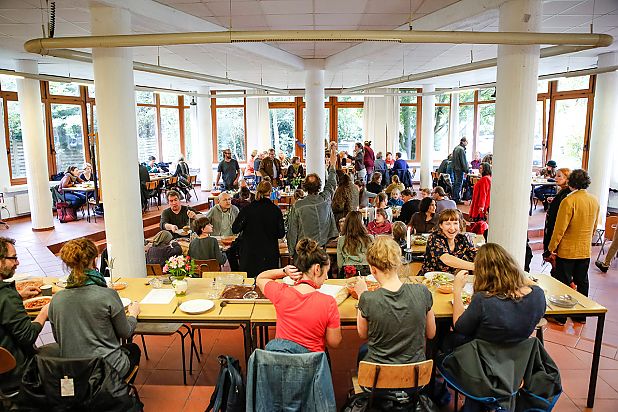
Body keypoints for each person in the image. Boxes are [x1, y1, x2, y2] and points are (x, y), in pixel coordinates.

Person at [49, 239, 141, 381]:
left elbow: (58, 338)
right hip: (106, 367)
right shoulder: (107, 295)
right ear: (94, 260)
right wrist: (134, 314)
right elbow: (126, 332)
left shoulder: (56, 300)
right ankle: (119, 392)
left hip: (73, 370)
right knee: (133, 349)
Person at [354, 237, 436, 364]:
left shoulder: (367, 299)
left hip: (378, 376)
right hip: (416, 376)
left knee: (363, 351)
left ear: (372, 269)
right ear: (398, 264)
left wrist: (361, 295)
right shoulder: (422, 291)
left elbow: (363, 334)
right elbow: (431, 333)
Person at [256, 238, 342, 352]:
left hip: (281, 365)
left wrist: (284, 271)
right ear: (317, 269)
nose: (326, 277)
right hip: (312, 365)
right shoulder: (328, 302)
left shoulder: (281, 293)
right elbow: (334, 342)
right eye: (326, 272)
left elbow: (260, 278)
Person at [451, 243, 545, 345]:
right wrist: (517, 274)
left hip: (482, 355)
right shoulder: (538, 295)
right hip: (520, 355)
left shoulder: (483, 300)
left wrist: (457, 289)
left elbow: (460, 327)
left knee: (448, 339)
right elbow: (533, 286)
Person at [548, 169, 599, 324]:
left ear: (571, 182)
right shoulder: (594, 200)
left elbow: (560, 228)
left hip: (568, 250)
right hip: (584, 249)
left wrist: (552, 247)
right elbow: (594, 226)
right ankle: (580, 315)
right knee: (582, 281)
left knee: (563, 282)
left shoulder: (569, 201)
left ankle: (560, 316)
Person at [0, 237, 48, 391]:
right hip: (15, 372)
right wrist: (44, 312)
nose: (17, 263)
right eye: (13, 258)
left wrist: (19, 296)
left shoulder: (7, 297)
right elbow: (27, 336)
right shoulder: (6, 296)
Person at [287, 147, 338, 255]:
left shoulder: (298, 206)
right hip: (321, 249)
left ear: (304, 187)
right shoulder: (325, 199)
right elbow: (331, 183)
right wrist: (332, 165)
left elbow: (292, 231)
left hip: (304, 252)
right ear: (319, 186)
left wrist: (291, 252)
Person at [232, 181, 285, 278]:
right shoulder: (275, 210)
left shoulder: (247, 209)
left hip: (250, 253)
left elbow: (235, 229)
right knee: (269, 284)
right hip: (269, 254)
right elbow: (281, 233)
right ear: (270, 191)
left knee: (250, 283)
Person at [421, 209, 476, 275]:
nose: (452, 228)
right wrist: (476, 266)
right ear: (441, 225)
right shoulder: (434, 237)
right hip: (432, 280)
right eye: (448, 224)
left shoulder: (462, 239)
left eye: (455, 223)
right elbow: (447, 259)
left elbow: (475, 254)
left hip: (455, 280)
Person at [337, 211, 373, 276]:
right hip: (366, 269)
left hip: (348, 269)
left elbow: (340, 263)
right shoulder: (370, 238)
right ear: (361, 223)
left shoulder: (341, 239)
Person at [451, 137, 469, 204]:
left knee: (455, 183)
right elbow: (463, 161)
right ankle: (457, 199)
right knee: (459, 184)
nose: (467, 143)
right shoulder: (461, 150)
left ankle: (454, 197)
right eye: (467, 141)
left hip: (455, 168)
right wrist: (466, 170)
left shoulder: (456, 148)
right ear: (463, 142)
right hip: (459, 169)